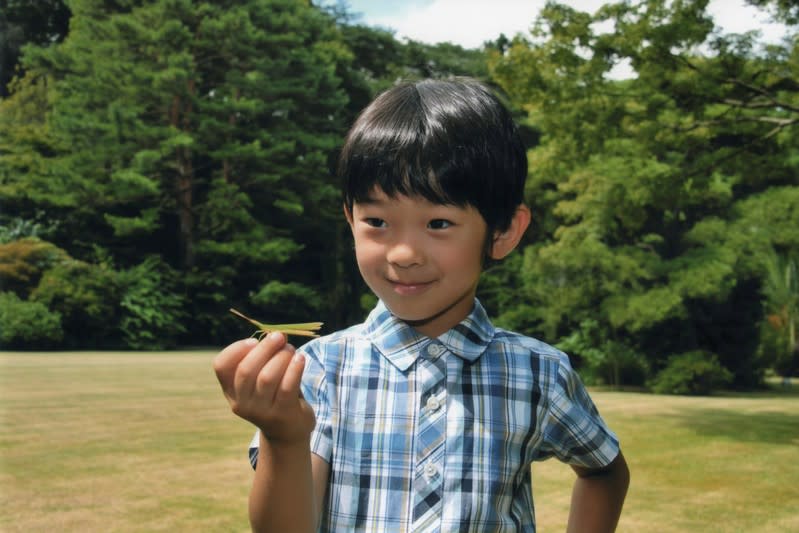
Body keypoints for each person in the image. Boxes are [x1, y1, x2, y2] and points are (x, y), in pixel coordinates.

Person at [213, 77, 630, 532]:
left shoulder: (539, 374)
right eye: (377, 221)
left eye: (438, 222)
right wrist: (284, 437)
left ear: (504, 231)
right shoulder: (319, 369)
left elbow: (605, 469)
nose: (403, 253)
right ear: (350, 219)